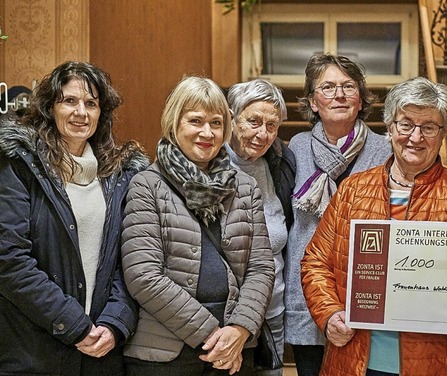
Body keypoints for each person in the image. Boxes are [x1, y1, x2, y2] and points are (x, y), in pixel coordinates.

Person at [300, 76, 447, 375]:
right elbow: (315, 262)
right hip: (356, 360)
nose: (415, 137)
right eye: (406, 124)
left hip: (438, 362)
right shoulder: (353, 190)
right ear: (390, 127)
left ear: (443, 133)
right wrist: (329, 313)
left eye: (428, 127)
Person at [121, 76, 275, 376]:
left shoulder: (245, 187)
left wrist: (240, 328)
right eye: (196, 121)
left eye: (216, 123)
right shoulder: (147, 185)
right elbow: (143, 275)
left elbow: (261, 268)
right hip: (166, 352)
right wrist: (214, 336)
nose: (207, 132)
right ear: (174, 123)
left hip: (235, 350)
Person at [0, 61, 147, 375]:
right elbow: (9, 259)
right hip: (33, 351)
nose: (81, 111)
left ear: (101, 113)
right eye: (70, 101)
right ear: (50, 107)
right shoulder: (20, 164)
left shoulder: (121, 174)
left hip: (102, 352)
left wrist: (114, 322)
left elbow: (132, 261)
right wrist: (75, 325)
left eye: (91, 103)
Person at [285, 53, 391, 376]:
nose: (340, 94)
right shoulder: (296, 149)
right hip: (308, 293)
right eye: (328, 87)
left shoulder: (386, 151)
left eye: (348, 86)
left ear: (361, 100)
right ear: (313, 102)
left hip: (367, 294)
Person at [225, 78, 295, 375]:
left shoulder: (280, 163)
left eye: (272, 125)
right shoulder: (208, 166)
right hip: (225, 321)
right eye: (253, 121)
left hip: (272, 316)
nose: (262, 134)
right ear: (231, 118)